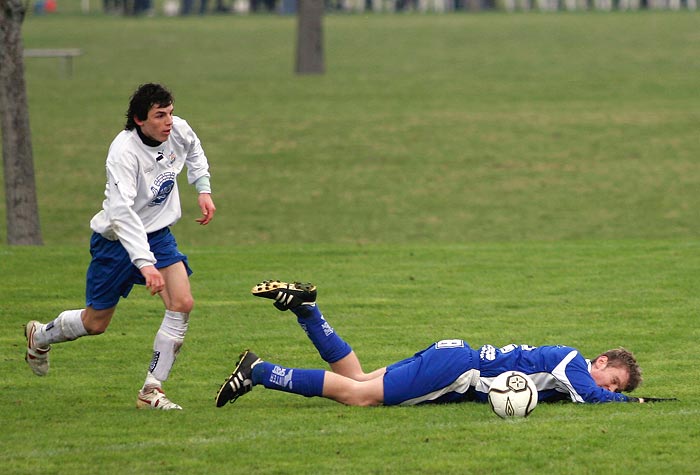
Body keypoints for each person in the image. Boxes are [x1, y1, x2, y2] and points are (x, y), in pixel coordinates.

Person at [24, 83, 216, 411]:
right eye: (160, 115)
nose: (169, 120)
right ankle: (41, 336)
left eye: (170, 112)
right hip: (116, 242)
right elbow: (122, 214)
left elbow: (194, 149)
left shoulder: (178, 129)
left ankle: (151, 390)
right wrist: (144, 264)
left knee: (182, 302)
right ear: (140, 120)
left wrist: (203, 188)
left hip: (158, 236)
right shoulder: (123, 153)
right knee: (95, 323)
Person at [216, 280, 647, 409]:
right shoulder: (574, 365)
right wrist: (638, 404)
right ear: (601, 360)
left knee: (357, 377)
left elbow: (585, 395)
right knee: (360, 397)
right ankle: (258, 371)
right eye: (612, 380)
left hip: (453, 354)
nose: (606, 389)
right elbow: (590, 396)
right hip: (456, 371)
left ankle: (308, 311)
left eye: (616, 389)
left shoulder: (569, 373)